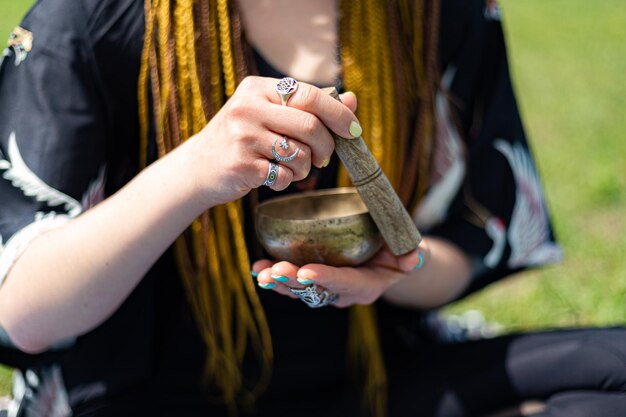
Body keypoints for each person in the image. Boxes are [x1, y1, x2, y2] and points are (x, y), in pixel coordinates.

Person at [0, 0, 624, 416]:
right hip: (143, 396)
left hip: (374, 383)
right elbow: (22, 311)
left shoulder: (435, 13)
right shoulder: (90, 21)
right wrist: (196, 167)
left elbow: (472, 238)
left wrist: (391, 266)